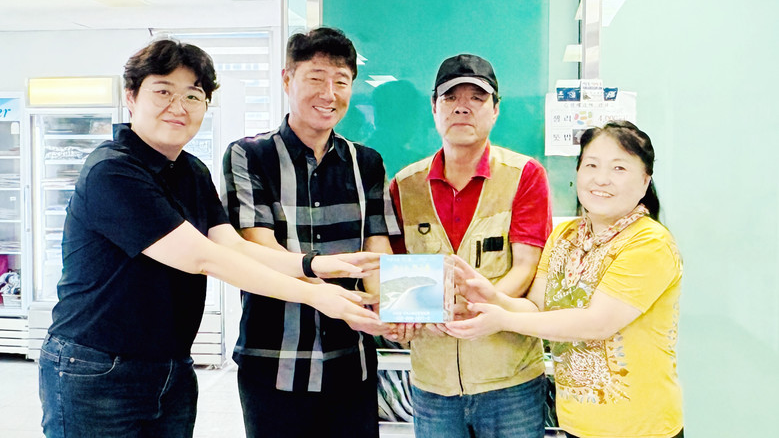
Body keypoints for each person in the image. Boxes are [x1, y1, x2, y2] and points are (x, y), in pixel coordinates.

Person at [38, 38, 381, 438]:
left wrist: (314, 265)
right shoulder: (112, 171)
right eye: (163, 92)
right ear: (131, 97)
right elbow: (204, 258)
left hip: (172, 367)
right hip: (96, 366)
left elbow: (232, 246)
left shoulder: (191, 171)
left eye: (193, 95)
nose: (178, 106)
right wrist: (316, 294)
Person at [446, 120, 684, 438]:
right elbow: (537, 308)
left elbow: (597, 323)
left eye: (619, 168)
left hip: (642, 428)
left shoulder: (650, 242)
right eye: (592, 165)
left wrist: (503, 320)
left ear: (645, 181)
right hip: (576, 424)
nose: (601, 178)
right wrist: (492, 297)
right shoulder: (564, 236)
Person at [221, 27, 396, 438]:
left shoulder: (367, 163)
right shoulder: (249, 155)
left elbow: (377, 248)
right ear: (287, 80)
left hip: (352, 362)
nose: (328, 94)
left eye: (341, 81)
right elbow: (257, 247)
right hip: (274, 363)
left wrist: (393, 307)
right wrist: (327, 283)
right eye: (316, 78)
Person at [387, 54, 553, 438]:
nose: (462, 107)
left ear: (495, 110)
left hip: (509, 380)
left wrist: (477, 306)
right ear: (434, 107)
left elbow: (526, 267)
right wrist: (408, 315)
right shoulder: (404, 185)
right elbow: (396, 273)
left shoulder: (525, 176)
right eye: (450, 97)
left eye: (477, 98)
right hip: (434, 384)